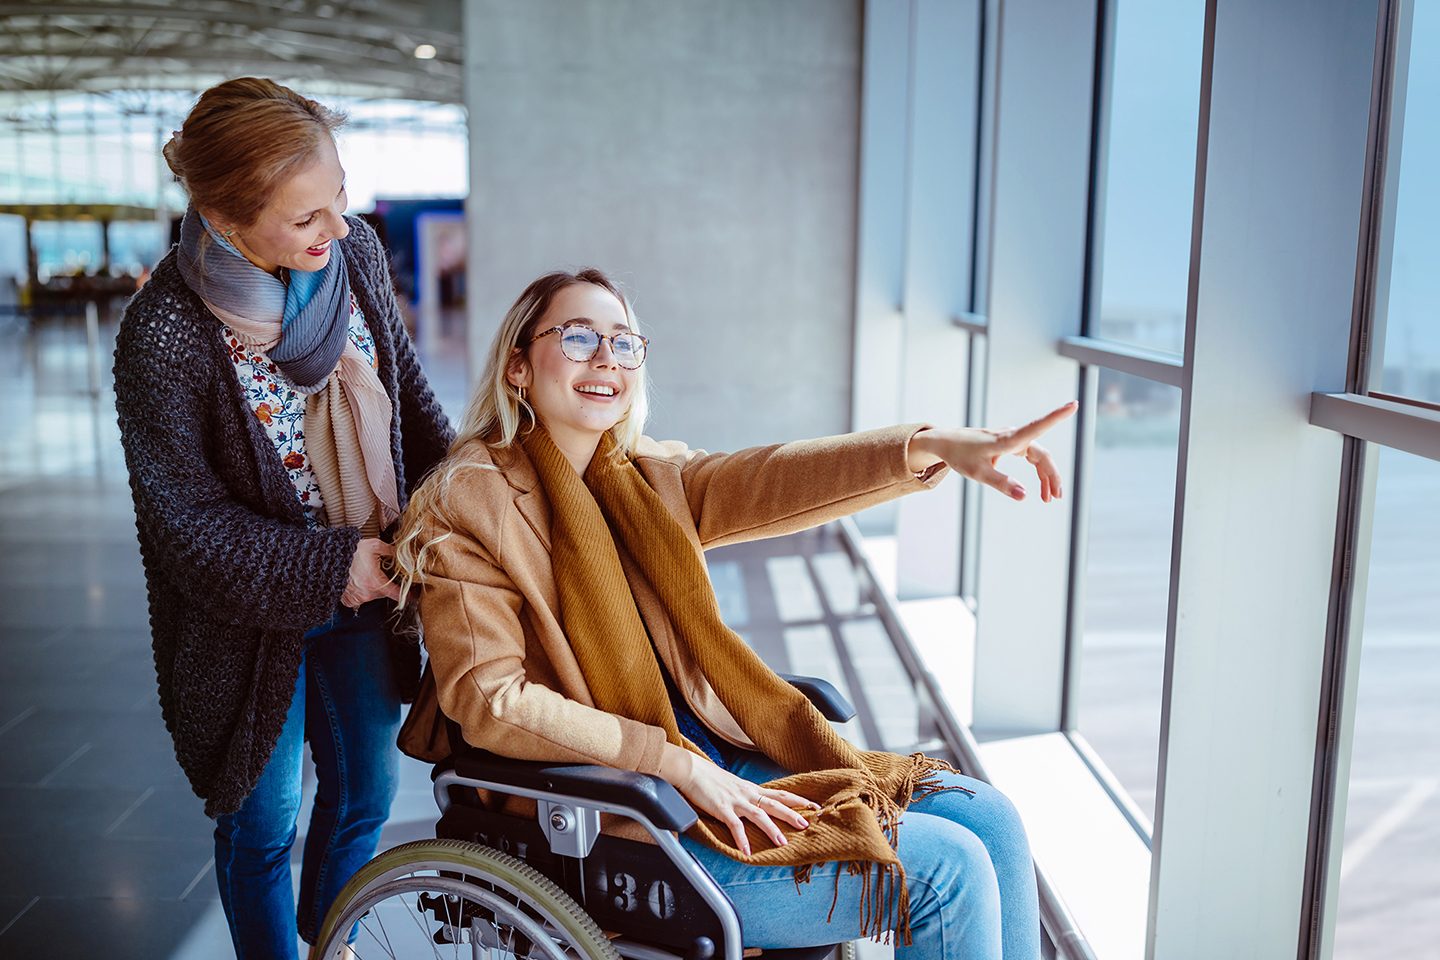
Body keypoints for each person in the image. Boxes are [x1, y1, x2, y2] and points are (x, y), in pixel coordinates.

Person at [394, 268, 1073, 959]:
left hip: (720, 765)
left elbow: (776, 476)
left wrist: (926, 448)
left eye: (624, 343)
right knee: (948, 870)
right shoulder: (470, 501)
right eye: (578, 337)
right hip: (623, 818)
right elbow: (491, 699)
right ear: (517, 367)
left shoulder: (645, 476)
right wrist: (672, 766)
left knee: (988, 816)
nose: (606, 358)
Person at [112, 77, 455, 959]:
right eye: (306, 217)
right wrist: (336, 565)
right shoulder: (166, 331)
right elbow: (187, 526)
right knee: (262, 828)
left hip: (367, 592)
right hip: (243, 625)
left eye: (338, 195)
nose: (336, 227)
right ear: (225, 218)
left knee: (364, 799)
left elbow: (412, 407)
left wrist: (468, 500)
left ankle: (331, 943)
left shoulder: (358, 259)